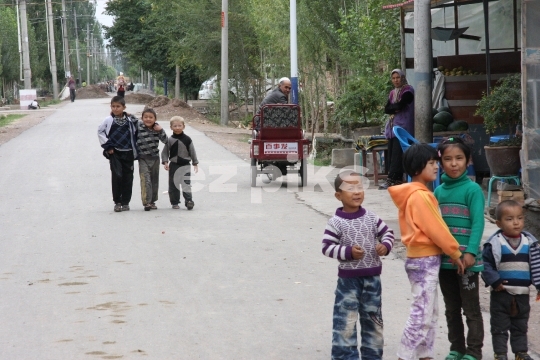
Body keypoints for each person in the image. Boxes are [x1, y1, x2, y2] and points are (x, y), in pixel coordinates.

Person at [388, 143, 464, 360]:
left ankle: (425, 354)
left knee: (429, 312)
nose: (436, 167)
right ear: (417, 167)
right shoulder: (421, 196)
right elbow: (436, 228)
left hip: (422, 258)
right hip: (424, 260)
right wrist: (455, 252)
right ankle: (405, 355)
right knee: (422, 313)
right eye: (431, 163)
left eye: (435, 163)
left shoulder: (416, 194)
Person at [322, 170, 395, 359]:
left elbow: (388, 233)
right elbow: (327, 247)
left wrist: (385, 246)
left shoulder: (372, 217)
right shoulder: (335, 222)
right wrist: (348, 252)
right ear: (338, 195)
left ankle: (373, 356)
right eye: (350, 188)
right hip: (348, 283)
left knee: (374, 322)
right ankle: (345, 356)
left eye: (360, 187)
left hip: (372, 281)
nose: (356, 192)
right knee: (345, 323)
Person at [434, 137, 485, 360]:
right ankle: (457, 348)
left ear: (468, 160)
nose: (454, 164)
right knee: (451, 308)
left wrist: (471, 252)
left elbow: (478, 223)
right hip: (445, 262)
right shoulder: (438, 192)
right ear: (440, 162)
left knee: (471, 309)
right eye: (448, 159)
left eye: (459, 158)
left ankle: (474, 352)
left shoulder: (472, 190)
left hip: (467, 262)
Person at [482, 200, 540, 360]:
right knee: (499, 326)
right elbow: (485, 264)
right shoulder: (495, 243)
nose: (516, 222)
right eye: (509, 219)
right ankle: (500, 353)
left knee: (520, 325)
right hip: (501, 294)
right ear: (499, 223)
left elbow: (537, 266)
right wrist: (495, 281)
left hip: (522, 294)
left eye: (519, 218)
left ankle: (520, 352)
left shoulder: (530, 243)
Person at [97, 96, 139, 212]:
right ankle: (117, 202)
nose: (115, 109)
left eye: (118, 106)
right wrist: (108, 146)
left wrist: (131, 115)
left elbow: (139, 125)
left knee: (128, 177)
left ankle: (126, 202)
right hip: (115, 153)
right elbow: (100, 131)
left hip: (128, 153)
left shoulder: (130, 120)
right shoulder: (108, 120)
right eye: (113, 106)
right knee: (117, 176)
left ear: (124, 107)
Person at [379, 69, 414, 190]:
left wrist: (394, 107)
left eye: (397, 78)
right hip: (393, 127)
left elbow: (402, 104)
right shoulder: (392, 93)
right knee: (392, 153)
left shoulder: (408, 90)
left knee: (398, 153)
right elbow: (387, 109)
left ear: (402, 77)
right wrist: (395, 108)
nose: (396, 80)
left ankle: (392, 179)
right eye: (393, 78)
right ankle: (395, 178)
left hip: (403, 126)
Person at [161, 116, 199, 210]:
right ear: (171, 127)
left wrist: (195, 163)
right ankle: (174, 202)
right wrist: (165, 162)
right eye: (175, 126)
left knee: (186, 183)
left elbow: (192, 151)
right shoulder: (169, 140)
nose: (177, 128)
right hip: (173, 165)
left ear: (183, 126)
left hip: (185, 165)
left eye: (179, 125)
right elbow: (165, 152)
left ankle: (189, 201)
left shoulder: (187, 139)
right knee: (174, 184)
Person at [136, 108, 167, 211]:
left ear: (155, 119)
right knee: (145, 180)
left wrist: (161, 130)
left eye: (151, 117)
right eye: (145, 117)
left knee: (154, 181)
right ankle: (147, 202)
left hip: (155, 159)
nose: (148, 119)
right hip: (143, 158)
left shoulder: (157, 129)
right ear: (142, 118)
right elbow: (130, 118)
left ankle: (153, 201)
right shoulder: (139, 126)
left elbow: (166, 141)